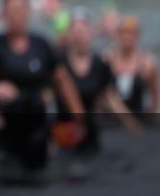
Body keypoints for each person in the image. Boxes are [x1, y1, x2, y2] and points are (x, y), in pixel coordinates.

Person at [0, 0, 86, 175]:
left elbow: (63, 81)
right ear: (4, 14)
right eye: (11, 11)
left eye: (20, 10)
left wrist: (79, 118)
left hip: (35, 123)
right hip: (3, 124)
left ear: (28, 12)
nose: (16, 16)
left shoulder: (41, 45)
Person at [54, 12, 142, 158]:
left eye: (82, 32)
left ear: (90, 34)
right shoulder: (59, 64)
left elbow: (110, 97)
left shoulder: (100, 65)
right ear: (68, 35)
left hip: (90, 133)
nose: (79, 36)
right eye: (75, 32)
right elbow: (46, 95)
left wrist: (131, 124)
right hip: (64, 131)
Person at [105, 15, 160, 119]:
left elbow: (156, 96)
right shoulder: (107, 60)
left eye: (131, 33)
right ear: (117, 36)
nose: (127, 37)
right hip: (111, 120)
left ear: (138, 36)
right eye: (123, 33)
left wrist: (151, 117)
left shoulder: (148, 63)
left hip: (137, 118)